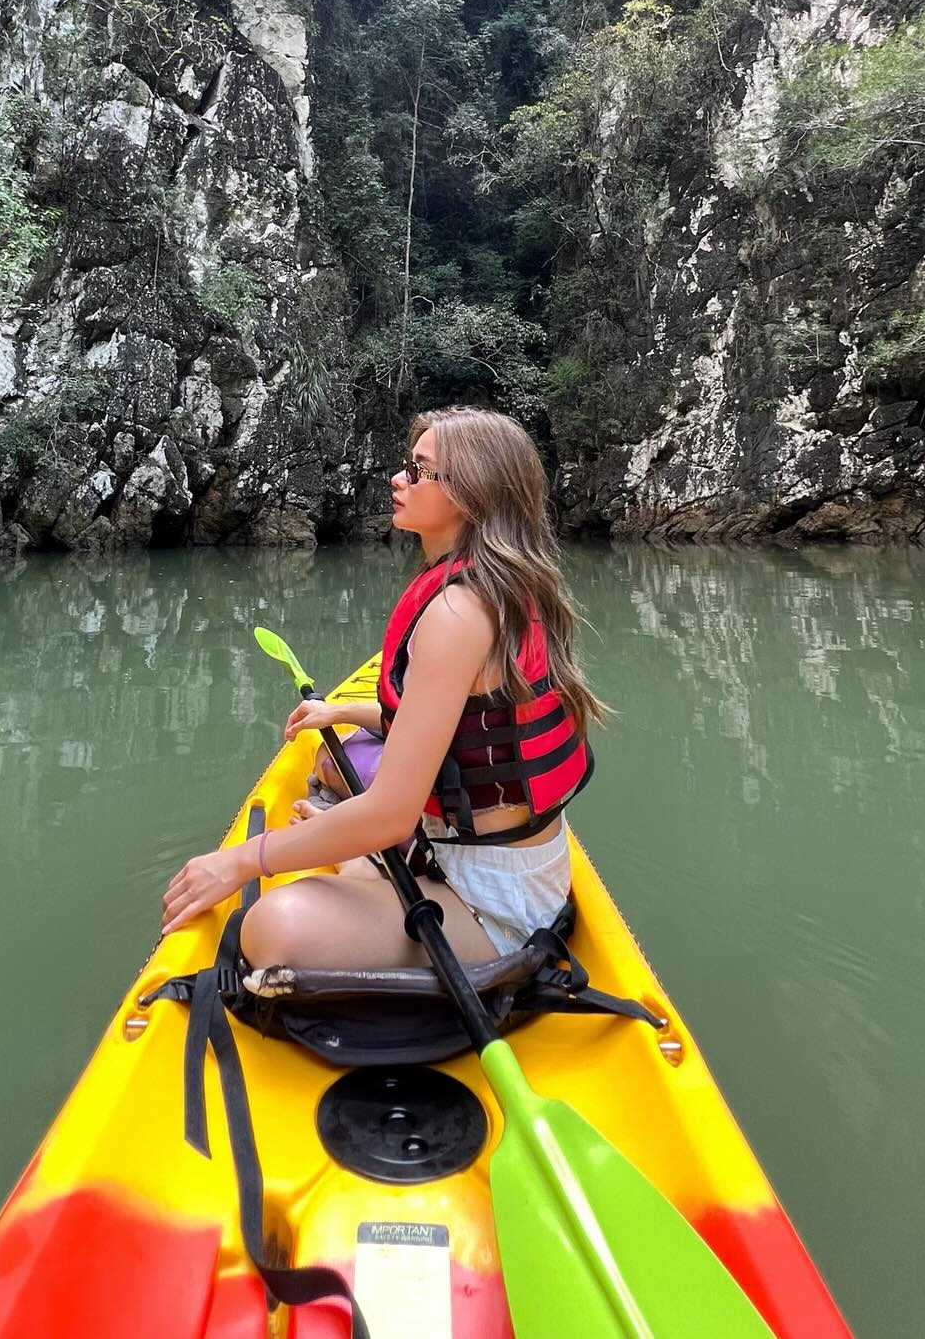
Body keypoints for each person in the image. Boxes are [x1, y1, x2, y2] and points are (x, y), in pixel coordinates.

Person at [159, 406, 607, 969]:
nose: (399, 480)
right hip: (471, 855)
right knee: (341, 779)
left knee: (271, 926)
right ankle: (368, 863)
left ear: (470, 494)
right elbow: (456, 727)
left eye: (420, 471)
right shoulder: (498, 586)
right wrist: (341, 710)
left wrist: (241, 862)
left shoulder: (459, 613)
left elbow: (393, 813)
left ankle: (367, 865)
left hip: (493, 901)